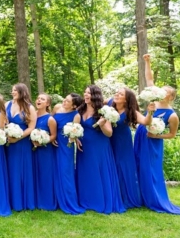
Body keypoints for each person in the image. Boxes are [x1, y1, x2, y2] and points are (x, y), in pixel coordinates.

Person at [133, 54, 180, 216]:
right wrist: (147, 62)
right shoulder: (153, 103)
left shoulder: (172, 115)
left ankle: (154, 199)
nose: (161, 92)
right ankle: (140, 197)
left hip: (153, 143)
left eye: (165, 91)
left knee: (151, 169)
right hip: (141, 138)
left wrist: (156, 136)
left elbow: (171, 135)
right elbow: (149, 80)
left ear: (171, 97)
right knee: (138, 165)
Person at [74, 85, 125, 214]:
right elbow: (75, 128)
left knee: (98, 172)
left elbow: (109, 133)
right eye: (85, 92)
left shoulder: (103, 111)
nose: (85, 95)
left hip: (99, 147)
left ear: (95, 95)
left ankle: (99, 201)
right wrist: (75, 138)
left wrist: (102, 125)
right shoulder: (80, 110)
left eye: (88, 93)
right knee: (86, 172)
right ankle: (86, 200)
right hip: (84, 147)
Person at [108, 87, 154, 209]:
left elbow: (145, 122)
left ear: (126, 99)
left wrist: (150, 112)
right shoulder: (108, 104)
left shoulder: (131, 112)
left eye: (120, 94)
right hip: (107, 141)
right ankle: (111, 195)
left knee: (122, 166)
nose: (117, 94)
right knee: (110, 165)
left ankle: (124, 197)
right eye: (116, 92)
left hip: (122, 143)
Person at [50, 94, 85, 215]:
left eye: (68, 101)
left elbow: (75, 132)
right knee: (53, 171)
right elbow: (49, 122)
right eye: (65, 99)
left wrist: (74, 138)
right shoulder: (57, 108)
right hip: (53, 143)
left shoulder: (76, 116)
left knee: (66, 173)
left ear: (74, 105)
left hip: (66, 146)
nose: (64, 101)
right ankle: (55, 200)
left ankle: (69, 202)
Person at [5, 83, 37, 211]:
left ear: (22, 92)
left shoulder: (30, 108)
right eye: (12, 90)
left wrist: (17, 138)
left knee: (21, 171)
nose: (12, 92)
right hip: (8, 143)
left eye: (15, 91)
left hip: (22, 143)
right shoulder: (7, 104)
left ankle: (23, 201)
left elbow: (31, 127)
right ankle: (11, 201)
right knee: (10, 170)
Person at [32, 93, 57, 211]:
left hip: (45, 151)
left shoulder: (50, 119)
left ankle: (46, 202)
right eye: (38, 98)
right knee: (34, 174)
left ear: (47, 104)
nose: (39, 100)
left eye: (42, 99)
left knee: (45, 174)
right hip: (31, 150)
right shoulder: (32, 116)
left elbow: (54, 136)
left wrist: (43, 141)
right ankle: (35, 200)